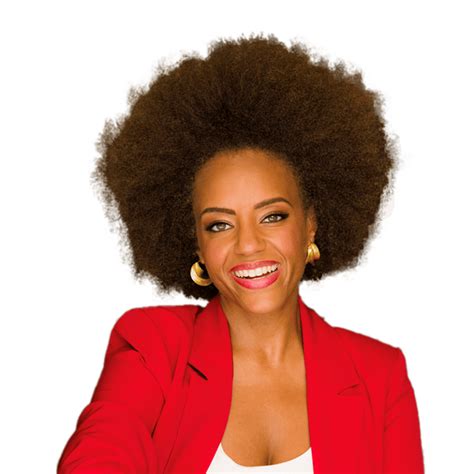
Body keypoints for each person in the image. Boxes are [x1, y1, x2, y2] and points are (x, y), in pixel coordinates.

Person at [57, 33, 424, 473]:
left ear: (310, 223)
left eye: (273, 216)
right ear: (197, 242)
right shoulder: (153, 349)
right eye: (220, 224)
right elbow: (101, 452)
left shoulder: (380, 376)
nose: (248, 244)